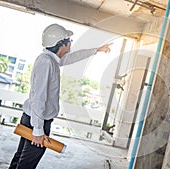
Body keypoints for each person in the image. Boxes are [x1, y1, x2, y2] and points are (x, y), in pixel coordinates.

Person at [9, 23, 112, 169]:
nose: (71, 43)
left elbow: (73, 57)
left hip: (34, 118)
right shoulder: (46, 62)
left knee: (21, 157)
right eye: (69, 40)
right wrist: (38, 131)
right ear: (61, 44)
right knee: (27, 163)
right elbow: (39, 99)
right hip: (37, 121)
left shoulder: (51, 60)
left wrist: (96, 50)